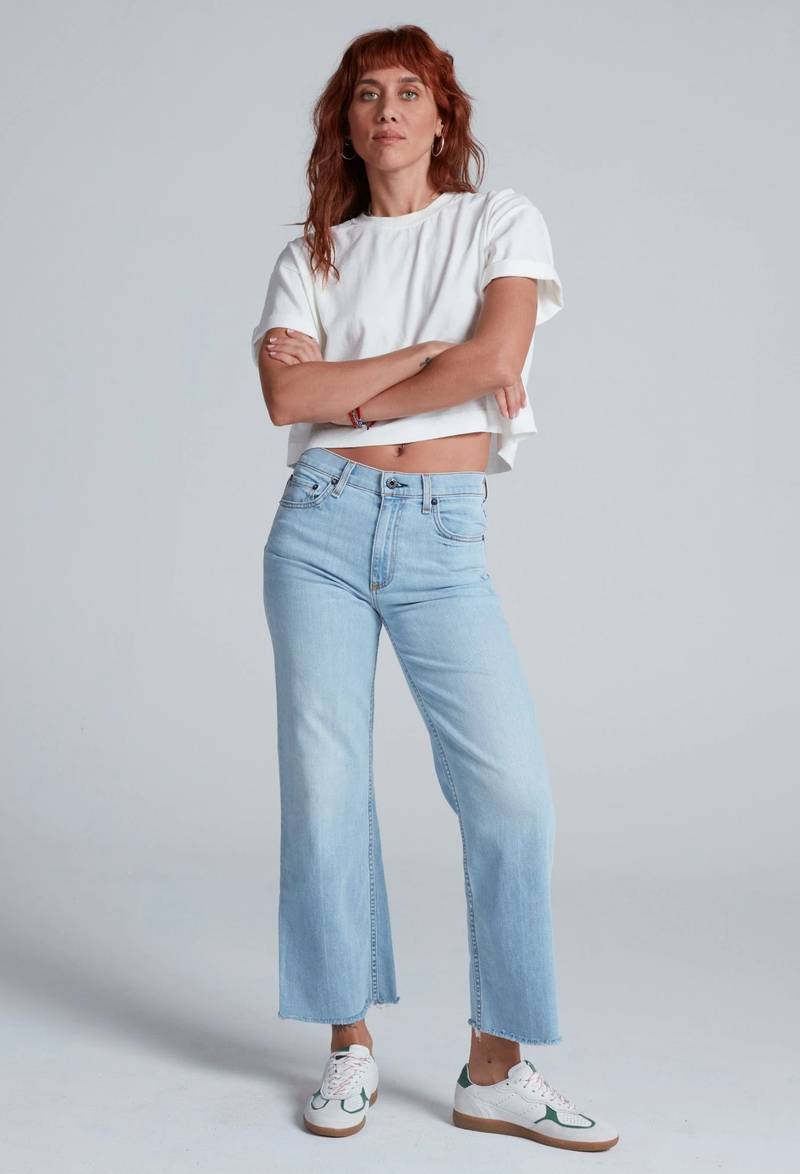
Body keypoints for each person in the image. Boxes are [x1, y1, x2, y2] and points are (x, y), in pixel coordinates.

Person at [251, 24, 618, 1152]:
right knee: (326, 791)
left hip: (442, 533)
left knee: (511, 795)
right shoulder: (312, 255)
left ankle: (494, 1070)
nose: (389, 110)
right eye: (367, 94)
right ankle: (347, 1046)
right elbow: (285, 401)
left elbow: (494, 359)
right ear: (345, 121)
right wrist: (428, 361)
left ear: (442, 115)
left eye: (410, 91)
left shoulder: (498, 220)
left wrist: (352, 388)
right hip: (317, 528)